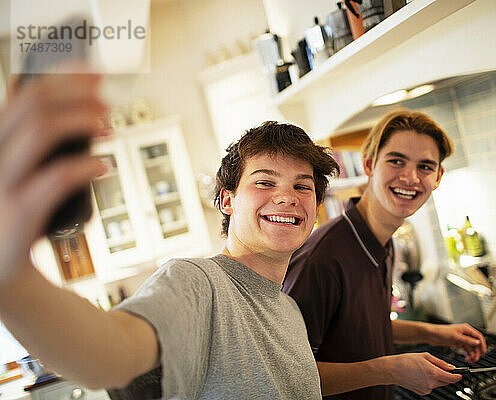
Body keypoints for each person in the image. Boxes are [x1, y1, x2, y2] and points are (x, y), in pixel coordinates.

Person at [0, 71, 340, 399]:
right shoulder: (199, 283)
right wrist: (12, 274)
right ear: (227, 201)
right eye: (265, 182)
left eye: (302, 186)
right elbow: (112, 353)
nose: (287, 197)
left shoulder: (289, 309)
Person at [283, 109, 487, 399]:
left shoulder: (383, 242)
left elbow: (360, 330)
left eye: (426, 166)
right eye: (396, 161)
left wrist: (434, 333)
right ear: (369, 164)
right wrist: (390, 370)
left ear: (438, 177)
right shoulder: (321, 259)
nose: (410, 177)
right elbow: (287, 378)